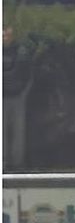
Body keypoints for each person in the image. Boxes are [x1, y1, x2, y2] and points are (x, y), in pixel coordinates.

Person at [3, 26, 33, 170]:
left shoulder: (21, 52)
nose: (5, 38)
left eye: (8, 35)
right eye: (3, 35)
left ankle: (17, 163)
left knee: (18, 131)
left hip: (18, 96)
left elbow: (29, 74)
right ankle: (3, 161)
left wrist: (24, 93)